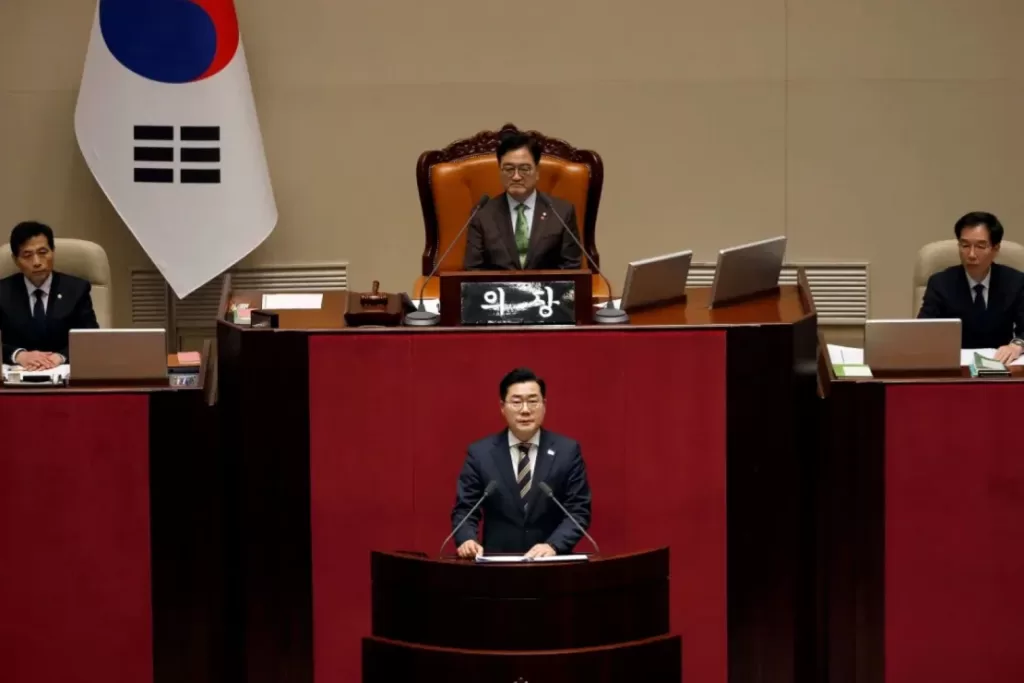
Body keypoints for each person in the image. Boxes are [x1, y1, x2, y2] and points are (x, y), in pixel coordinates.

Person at [450, 367, 592, 559]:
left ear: (544, 405)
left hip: (552, 565)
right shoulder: (480, 454)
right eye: (516, 402)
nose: (525, 410)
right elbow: (465, 509)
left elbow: (578, 510)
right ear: (502, 407)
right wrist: (467, 539)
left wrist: (553, 545)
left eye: (533, 401)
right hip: (497, 567)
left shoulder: (567, 451)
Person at [462, 131, 583, 271]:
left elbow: (571, 268)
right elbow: (473, 271)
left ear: (537, 172)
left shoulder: (561, 212)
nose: (516, 177)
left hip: (548, 291)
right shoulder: (482, 215)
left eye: (524, 169)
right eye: (509, 169)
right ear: (500, 172)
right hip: (497, 292)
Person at [918, 211, 1024, 363]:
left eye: (980, 246)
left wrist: (1016, 345)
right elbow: (924, 330)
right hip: (954, 365)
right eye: (965, 245)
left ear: (995, 248)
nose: (972, 254)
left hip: (1000, 364)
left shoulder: (1015, 281)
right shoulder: (940, 282)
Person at [0, 222, 99, 368]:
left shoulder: (76, 289)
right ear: (16, 260)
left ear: (53, 252)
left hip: (63, 374)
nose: (37, 262)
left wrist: (61, 357)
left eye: (42, 252)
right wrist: (18, 355)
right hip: (16, 374)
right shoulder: (2, 292)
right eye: (27, 255)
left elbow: (91, 339)